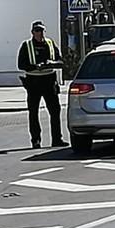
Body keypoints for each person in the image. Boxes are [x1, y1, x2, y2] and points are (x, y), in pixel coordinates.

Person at [17, 20, 68, 149]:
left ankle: (57, 139)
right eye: (37, 31)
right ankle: (36, 140)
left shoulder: (50, 44)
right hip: (33, 82)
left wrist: (50, 63)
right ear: (32, 32)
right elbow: (21, 65)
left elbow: (61, 62)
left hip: (49, 81)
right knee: (33, 112)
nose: (40, 33)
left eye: (41, 31)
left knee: (55, 111)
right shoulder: (27, 45)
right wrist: (35, 67)